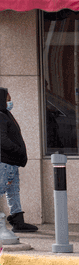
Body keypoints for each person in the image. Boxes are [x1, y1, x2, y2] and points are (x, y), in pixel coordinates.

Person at [0, 87, 38, 232]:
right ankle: (17, 221)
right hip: (6, 162)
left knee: (13, 192)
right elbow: (2, 140)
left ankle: (18, 221)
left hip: (12, 162)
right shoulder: (1, 115)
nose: (10, 101)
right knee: (2, 189)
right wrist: (17, 149)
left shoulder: (6, 114)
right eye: (8, 99)